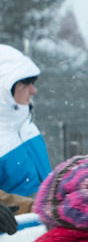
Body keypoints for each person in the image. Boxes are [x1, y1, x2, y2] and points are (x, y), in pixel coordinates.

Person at [0, 44, 51, 199]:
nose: (33, 90)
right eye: (25, 83)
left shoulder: (28, 128)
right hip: (19, 223)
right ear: (4, 87)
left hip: (43, 222)